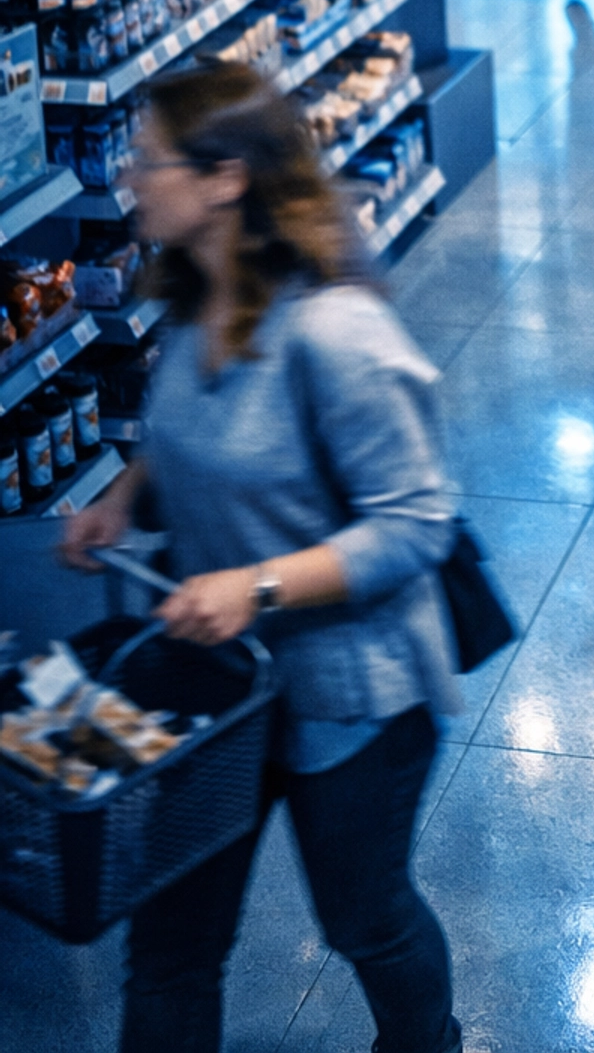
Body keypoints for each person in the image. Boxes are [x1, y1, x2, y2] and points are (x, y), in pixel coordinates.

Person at [62, 63, 462, 1053]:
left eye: (148, 158)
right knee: (171, 944)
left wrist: (257, 583)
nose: (128, 174)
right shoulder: (196, 299)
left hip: (350, 691)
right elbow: (206, 432)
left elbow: (417, 524)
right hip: (217, 696)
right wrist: (123, 494)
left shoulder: (336, 331)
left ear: (226, 177)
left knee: (364, 918)